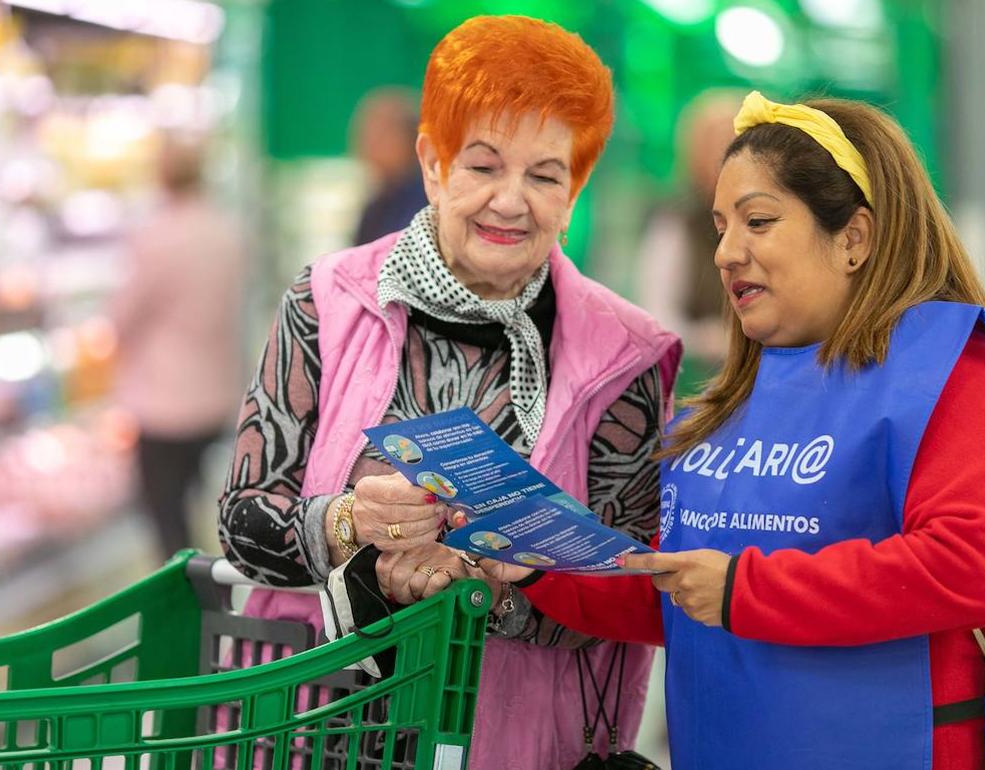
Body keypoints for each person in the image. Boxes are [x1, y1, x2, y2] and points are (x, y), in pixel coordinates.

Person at [476, 92, 985, 770]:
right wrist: (542, 563)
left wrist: (741, 591)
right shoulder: (727, 403)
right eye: (721, 226)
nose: (725, 252)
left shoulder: (960, 371)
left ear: (854, 238)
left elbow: (970, 567)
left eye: (758, 221)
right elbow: (677, 589)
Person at [217, 15, 681, 769]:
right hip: (314, 727)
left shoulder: (623, 356)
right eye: (483, 165)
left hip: (519, 738)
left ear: (575, 191)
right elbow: (241, 523)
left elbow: (630, 591)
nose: (510, 201)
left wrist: (487, 590)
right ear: (433, 163)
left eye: (544, 174)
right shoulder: (327, 302)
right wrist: (346, 525)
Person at [112, 132, 246, 560]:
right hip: (217, 391)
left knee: (165, 516)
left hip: (166, 402)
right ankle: (210, 590)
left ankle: (187, 605)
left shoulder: (157, 237)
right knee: (195, 500)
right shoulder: (225, 231)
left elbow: (124, 317)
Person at [637, 89, 742, 393]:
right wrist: (710, 339)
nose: (725, 153)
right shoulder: (677, 221)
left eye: (734, 140)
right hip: (700, 383)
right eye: (715, 142)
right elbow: (657, 317)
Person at [350, 87, 429, 245]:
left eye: (381, 135)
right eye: (366, 134)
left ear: (410, 140)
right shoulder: (377, 204)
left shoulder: (426, 203)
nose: (370, 144)